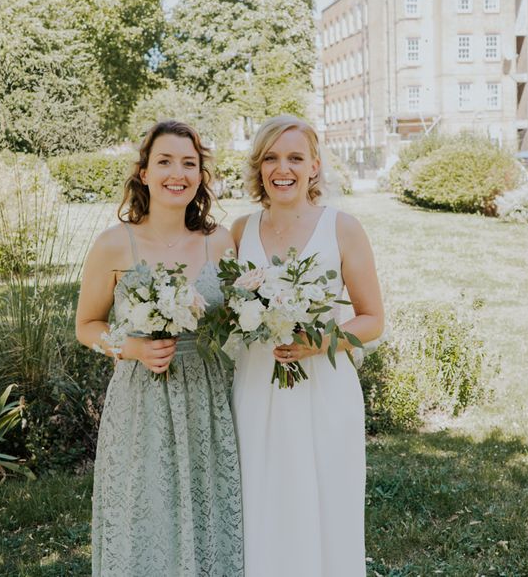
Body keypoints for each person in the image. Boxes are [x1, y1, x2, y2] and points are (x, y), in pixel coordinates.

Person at [76, 120, 244, 577]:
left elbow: (237, 319)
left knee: (209, 507)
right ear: (144, 173)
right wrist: (128, 348)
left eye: (189, 163)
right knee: (146, 513)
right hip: (141, 399)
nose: (178, 173)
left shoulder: (220, 242)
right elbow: (86, 326)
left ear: (200, 176)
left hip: (207, 396)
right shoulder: (113, 245)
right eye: (165, 161)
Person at [230, 115, 384, 576]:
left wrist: (318, 344)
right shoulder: (238, 232)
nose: (284, 168)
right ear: (259, 168)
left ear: (314, 166)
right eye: (272, 158)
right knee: (262, 501)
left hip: (324, 388)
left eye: (295, 157)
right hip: (257, 385)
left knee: (326, 504)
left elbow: (372, 319)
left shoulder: (342, 227)